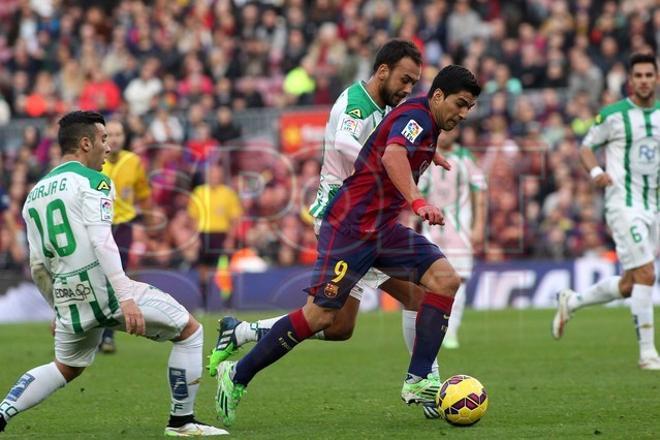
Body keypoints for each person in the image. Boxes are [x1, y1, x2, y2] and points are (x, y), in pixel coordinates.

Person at [214, 65, 482, 427]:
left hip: (383, 229)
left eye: (469, 107)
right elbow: (391, 156)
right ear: (438, 96)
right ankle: (238, 374)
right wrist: (418, 201)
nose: (464, 113)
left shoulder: (425, 123)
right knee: (323, 318)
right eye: (460, 104)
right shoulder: (417, 115)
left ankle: (419, 380)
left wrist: (427, 153)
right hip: (351, 230)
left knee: (444, 280)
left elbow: (397, 143)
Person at [0, 111, 227, 436]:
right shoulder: (95, 182)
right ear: (85, 143)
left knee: (67, 366)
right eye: (104, 139)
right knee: (190, 331)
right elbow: (102, 241)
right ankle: (181, 421)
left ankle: (2, 412)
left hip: (68, 293)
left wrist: (57, 307)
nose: (108, 148)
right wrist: (126, 297)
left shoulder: (33, 196)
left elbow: (37, 264)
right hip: (105, 289)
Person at [552, 52, 660, 370]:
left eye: (648, 75)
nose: (643, 80)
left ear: (656, 78)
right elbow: (586, 147)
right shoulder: (613, 115)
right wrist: (595, 172)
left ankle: (572, 302)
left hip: (652, 205)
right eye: (637, 75)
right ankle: (647, 353)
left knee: (631, 283)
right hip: (622, 204)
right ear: (630, 80)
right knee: (647, 273)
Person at [418, 126, 486, 349]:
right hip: (432, 230)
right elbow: (418, 192)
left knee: (460, 280)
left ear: (457, 133)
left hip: (460, 232)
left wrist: (478, 226)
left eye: (452, 130)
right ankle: (429, 330)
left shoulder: (466, 158)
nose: (446, 134)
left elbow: (480, 193)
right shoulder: (427, 156)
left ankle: (451, 331)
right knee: (429, 283)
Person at [98, 119, 155, 353]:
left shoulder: (133, 162)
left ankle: (108, 335)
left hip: (123, 226)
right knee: (97, 278)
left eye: (119, 134)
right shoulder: (96, 164)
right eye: (109, 134)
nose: (115, 138)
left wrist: (151, 221)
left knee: (115, 277)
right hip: (99, 226)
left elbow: (143, 192)